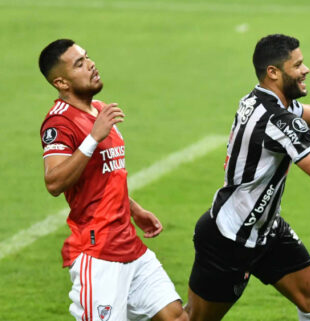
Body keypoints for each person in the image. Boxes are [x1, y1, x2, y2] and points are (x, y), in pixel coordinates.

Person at [184, 34, 310, 321]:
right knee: (195, 320)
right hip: (229, 239)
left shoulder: (263, 100)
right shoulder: (277, 120)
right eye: (297, 65)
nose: (306, 69)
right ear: (273, 72)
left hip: (267, 230)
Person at [38, 39, 188, 321]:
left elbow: (106, 176)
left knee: (177, 317)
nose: (91, 64)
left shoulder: (99, 108)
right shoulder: (59, 122)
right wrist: (94, 137)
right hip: (97, 252)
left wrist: (135, 209)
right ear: (61, 82)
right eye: (79, 64)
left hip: (129, 243)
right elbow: (54, 182)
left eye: (87, 57)